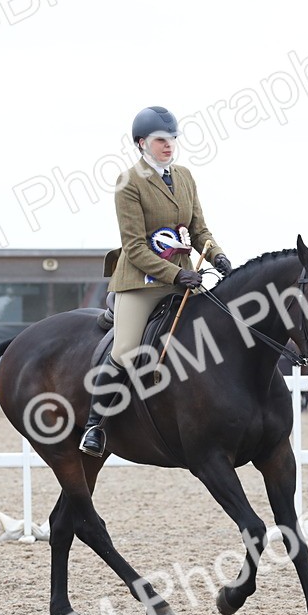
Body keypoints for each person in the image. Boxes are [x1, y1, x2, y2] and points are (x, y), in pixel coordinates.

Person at [80, 105, 231, 457]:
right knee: (125, 348)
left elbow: (198, 230)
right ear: (142, 143)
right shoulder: (128, 183)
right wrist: (177, 273)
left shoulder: (184, 177)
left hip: (185, 277)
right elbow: (134, 247)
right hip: (142, 282)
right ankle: (95, 426)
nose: (169, 146)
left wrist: (218, 257)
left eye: (173, 139)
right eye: (162, 140)